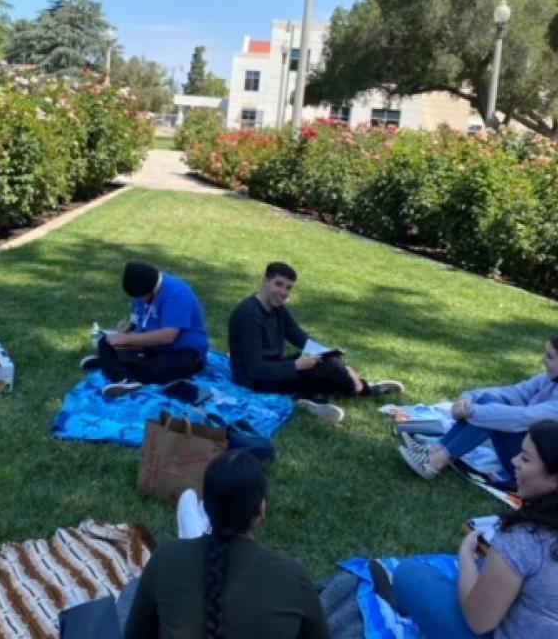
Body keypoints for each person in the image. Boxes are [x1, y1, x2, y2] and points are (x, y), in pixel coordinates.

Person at [123, 450, 330, 638]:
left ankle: (193, 533)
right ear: (262, 508)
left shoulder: (166, 559)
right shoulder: (293, 578)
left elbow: (135, 634)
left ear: (206, 505)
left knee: (126, 597)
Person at [392, 419, 558, 638]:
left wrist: (466, 558)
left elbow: (479, 621)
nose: (514, 461)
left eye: (525, 459)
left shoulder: (525, 539)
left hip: (487, 626)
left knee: (409, 573)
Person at [228, 262, 403, 423]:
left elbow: (299, 337)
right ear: (265, 281)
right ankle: (364, 390)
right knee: (325, 369)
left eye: (288, 288)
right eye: (278, 284)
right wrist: (296, 366)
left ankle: (316, 399)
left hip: (274, 366)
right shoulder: (249, 316)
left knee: (325, 363)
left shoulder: (277, 309)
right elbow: (255, 370)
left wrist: (331, 357)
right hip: (254, 380)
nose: (283, 292)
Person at [399, 337, 558, 481]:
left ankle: (435, 462)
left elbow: (521, 418)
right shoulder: (548, 379)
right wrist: (468, 398)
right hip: (527, 451)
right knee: (489, 402)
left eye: (550, 357)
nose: (543, 360)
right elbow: (512, 392)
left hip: (538, 469)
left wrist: (471, 411)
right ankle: (434, 451)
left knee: (494, 416)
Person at [81, 261, 209, 395]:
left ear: (152, 289)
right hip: (151, 348)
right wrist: (129, 325)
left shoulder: (177, 294)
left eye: (141, 297)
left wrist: (128, 338)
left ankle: (113, 366)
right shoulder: (144, 288)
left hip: (184, 353)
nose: (139, 300)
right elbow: (137, 317)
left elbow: (168, 336)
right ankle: (124, 378)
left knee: (153, 370)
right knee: (105, 341)